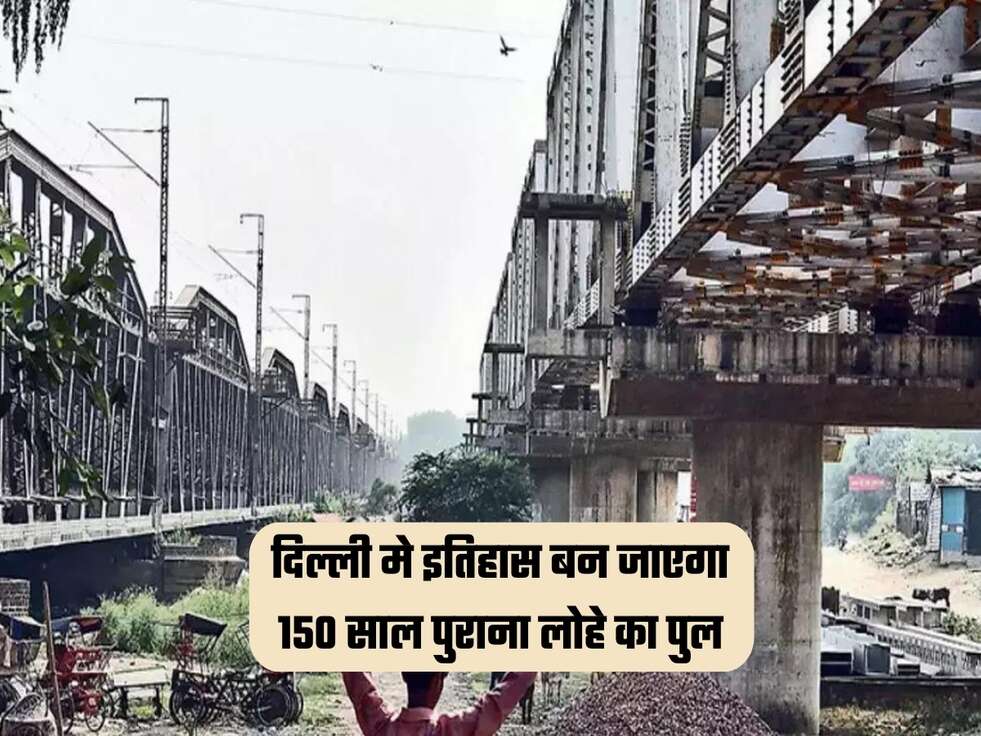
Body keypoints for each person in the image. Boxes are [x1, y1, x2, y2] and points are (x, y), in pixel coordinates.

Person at [343, 671, 536, 736]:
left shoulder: (381, 726)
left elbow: (359, 684)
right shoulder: (454, 729)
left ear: (404, 676)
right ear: (438, 681)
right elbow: (499, 701)